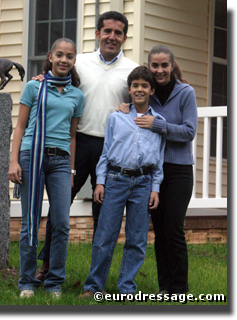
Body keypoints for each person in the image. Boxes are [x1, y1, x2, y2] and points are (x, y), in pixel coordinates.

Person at [36, 11, 138, 281]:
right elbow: (53, 75)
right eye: (107, 31)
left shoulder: (132, 69)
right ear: (97, 34)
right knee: (59, 207)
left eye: (118, 33)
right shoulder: (78, 61)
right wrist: (40, 79)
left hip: (112, 149)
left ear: (125, 37)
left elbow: (143, 102)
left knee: (104, 216)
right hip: (76, 144)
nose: (112, 37)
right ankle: (46, 266)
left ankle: (95, 279)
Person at [119, 45, 198, 295]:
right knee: (160, 231)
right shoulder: (148, 91)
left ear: (173, 66)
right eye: (155, 65)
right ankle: (165, 288)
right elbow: (130, 105)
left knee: (174, 229)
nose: (160, 70)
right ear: (150, 67)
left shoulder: (186, 92)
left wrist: (159, 124)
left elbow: (189, 131)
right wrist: (123, 108)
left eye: (165, 65)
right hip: (152, 172)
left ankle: (180, 289)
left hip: (179, 171)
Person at [8, 38, 84, 299]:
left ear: (74, 61)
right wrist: (13, 160)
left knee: (62, 223)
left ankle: (54, 282)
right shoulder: (34, 86)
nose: (64, 60)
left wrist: (72, 170)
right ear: (50, 56)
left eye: (69, 56)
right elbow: (20, 126)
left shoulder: (77, 95)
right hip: (32, 155)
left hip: (61, 161)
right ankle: (27, 281)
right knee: (30, 221)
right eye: (59, 55)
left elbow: (73, 136)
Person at [81, 66, 166, 298]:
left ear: (151, 90)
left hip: (143, 183)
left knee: (137, 239)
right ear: (129, 89)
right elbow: (106, 153)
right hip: (115, 180)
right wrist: (100, 182)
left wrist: (155, 188)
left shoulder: (158, 122)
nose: (139, 89)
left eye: (144, 86)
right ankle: (93, 287)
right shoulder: (116, 118)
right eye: (135, 85)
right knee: (104, 236)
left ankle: (126, 288)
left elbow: (158, 160)